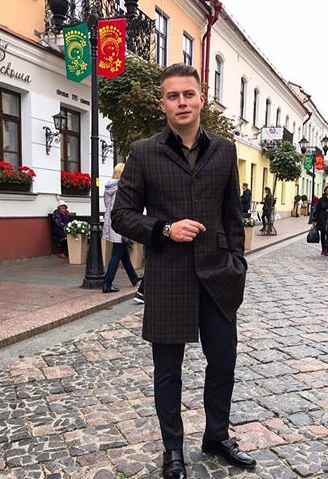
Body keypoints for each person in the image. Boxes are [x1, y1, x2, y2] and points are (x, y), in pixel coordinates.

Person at [111, 63, 255, 478]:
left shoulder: (224, 150)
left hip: (218, 275)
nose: (182, 102)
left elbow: (232, 215)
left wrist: (237, 263)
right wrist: (165, 229)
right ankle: (173, 450)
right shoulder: (143, 152)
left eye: (188, 94)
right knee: (168, 371)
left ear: (201, 99)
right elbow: (121, 215)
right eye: (173, 96)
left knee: (223, 360)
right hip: (169, 277)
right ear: (163, 104)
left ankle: (216, 436)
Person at [102, 163, 141, 293]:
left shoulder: (109, 186)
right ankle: (107, 283)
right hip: (120, 221)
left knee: (123, 252)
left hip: (111, 220)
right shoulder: (122, 187)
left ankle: (133, 278)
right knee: (116, 253)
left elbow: (107, 204)